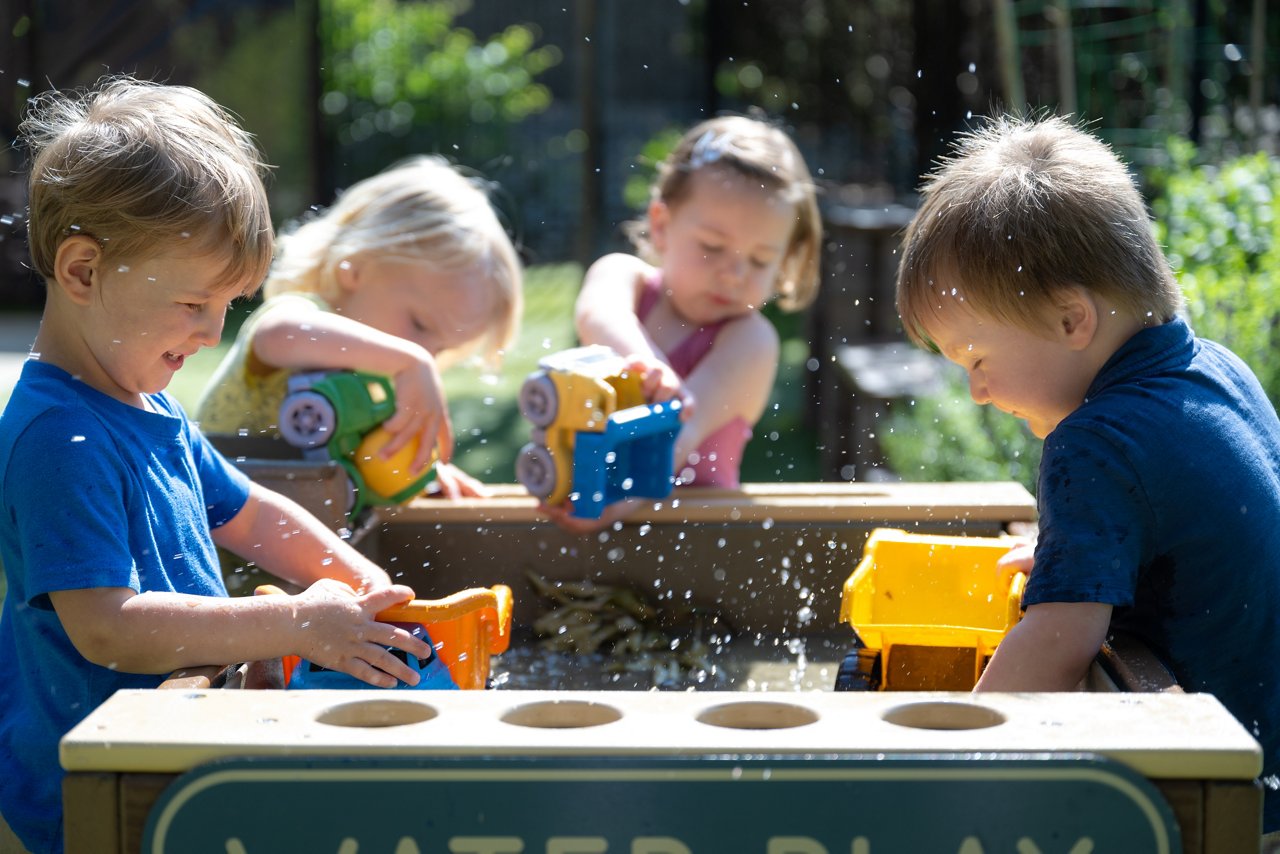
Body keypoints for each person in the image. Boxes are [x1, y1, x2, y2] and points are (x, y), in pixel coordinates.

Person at [0, 76, 436, 854]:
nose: (212, 333)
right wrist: (293, 622)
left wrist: (366, 590)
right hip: (92, 795)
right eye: (194, 303)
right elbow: (108, 630)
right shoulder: (57, 441)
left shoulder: (144, 406)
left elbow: (253, 515)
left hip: (171, 746)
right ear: (83, 273)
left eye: (229, 304)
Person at [895, 113, 1280, 842]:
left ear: (1072, 319)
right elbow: (1194, 532)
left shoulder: (1093, 443)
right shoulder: (1216, 369)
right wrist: (1075, 558)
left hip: (1227, 800)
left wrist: (951, 758)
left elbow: (1060, 642)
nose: (977, 391)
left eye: (977, 359)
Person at [548, 114, 821, 529]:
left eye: (760, 260)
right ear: (661, 225)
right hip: (593, 505)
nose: (734, 274)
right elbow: (597, 314)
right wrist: (648, 365)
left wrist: (605, 507)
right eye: (713, 247)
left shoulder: (750, 340)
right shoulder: (623, 278)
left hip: (700, 536)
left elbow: (677, 436)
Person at [195, 155, 523, 499]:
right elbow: (277, 334)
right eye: (419, 324)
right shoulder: (301, 314)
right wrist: (410, 360)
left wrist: (418, 475)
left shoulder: (375, 380)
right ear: (354, 270)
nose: (426, 353)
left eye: (440, 348)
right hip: (216, 531)